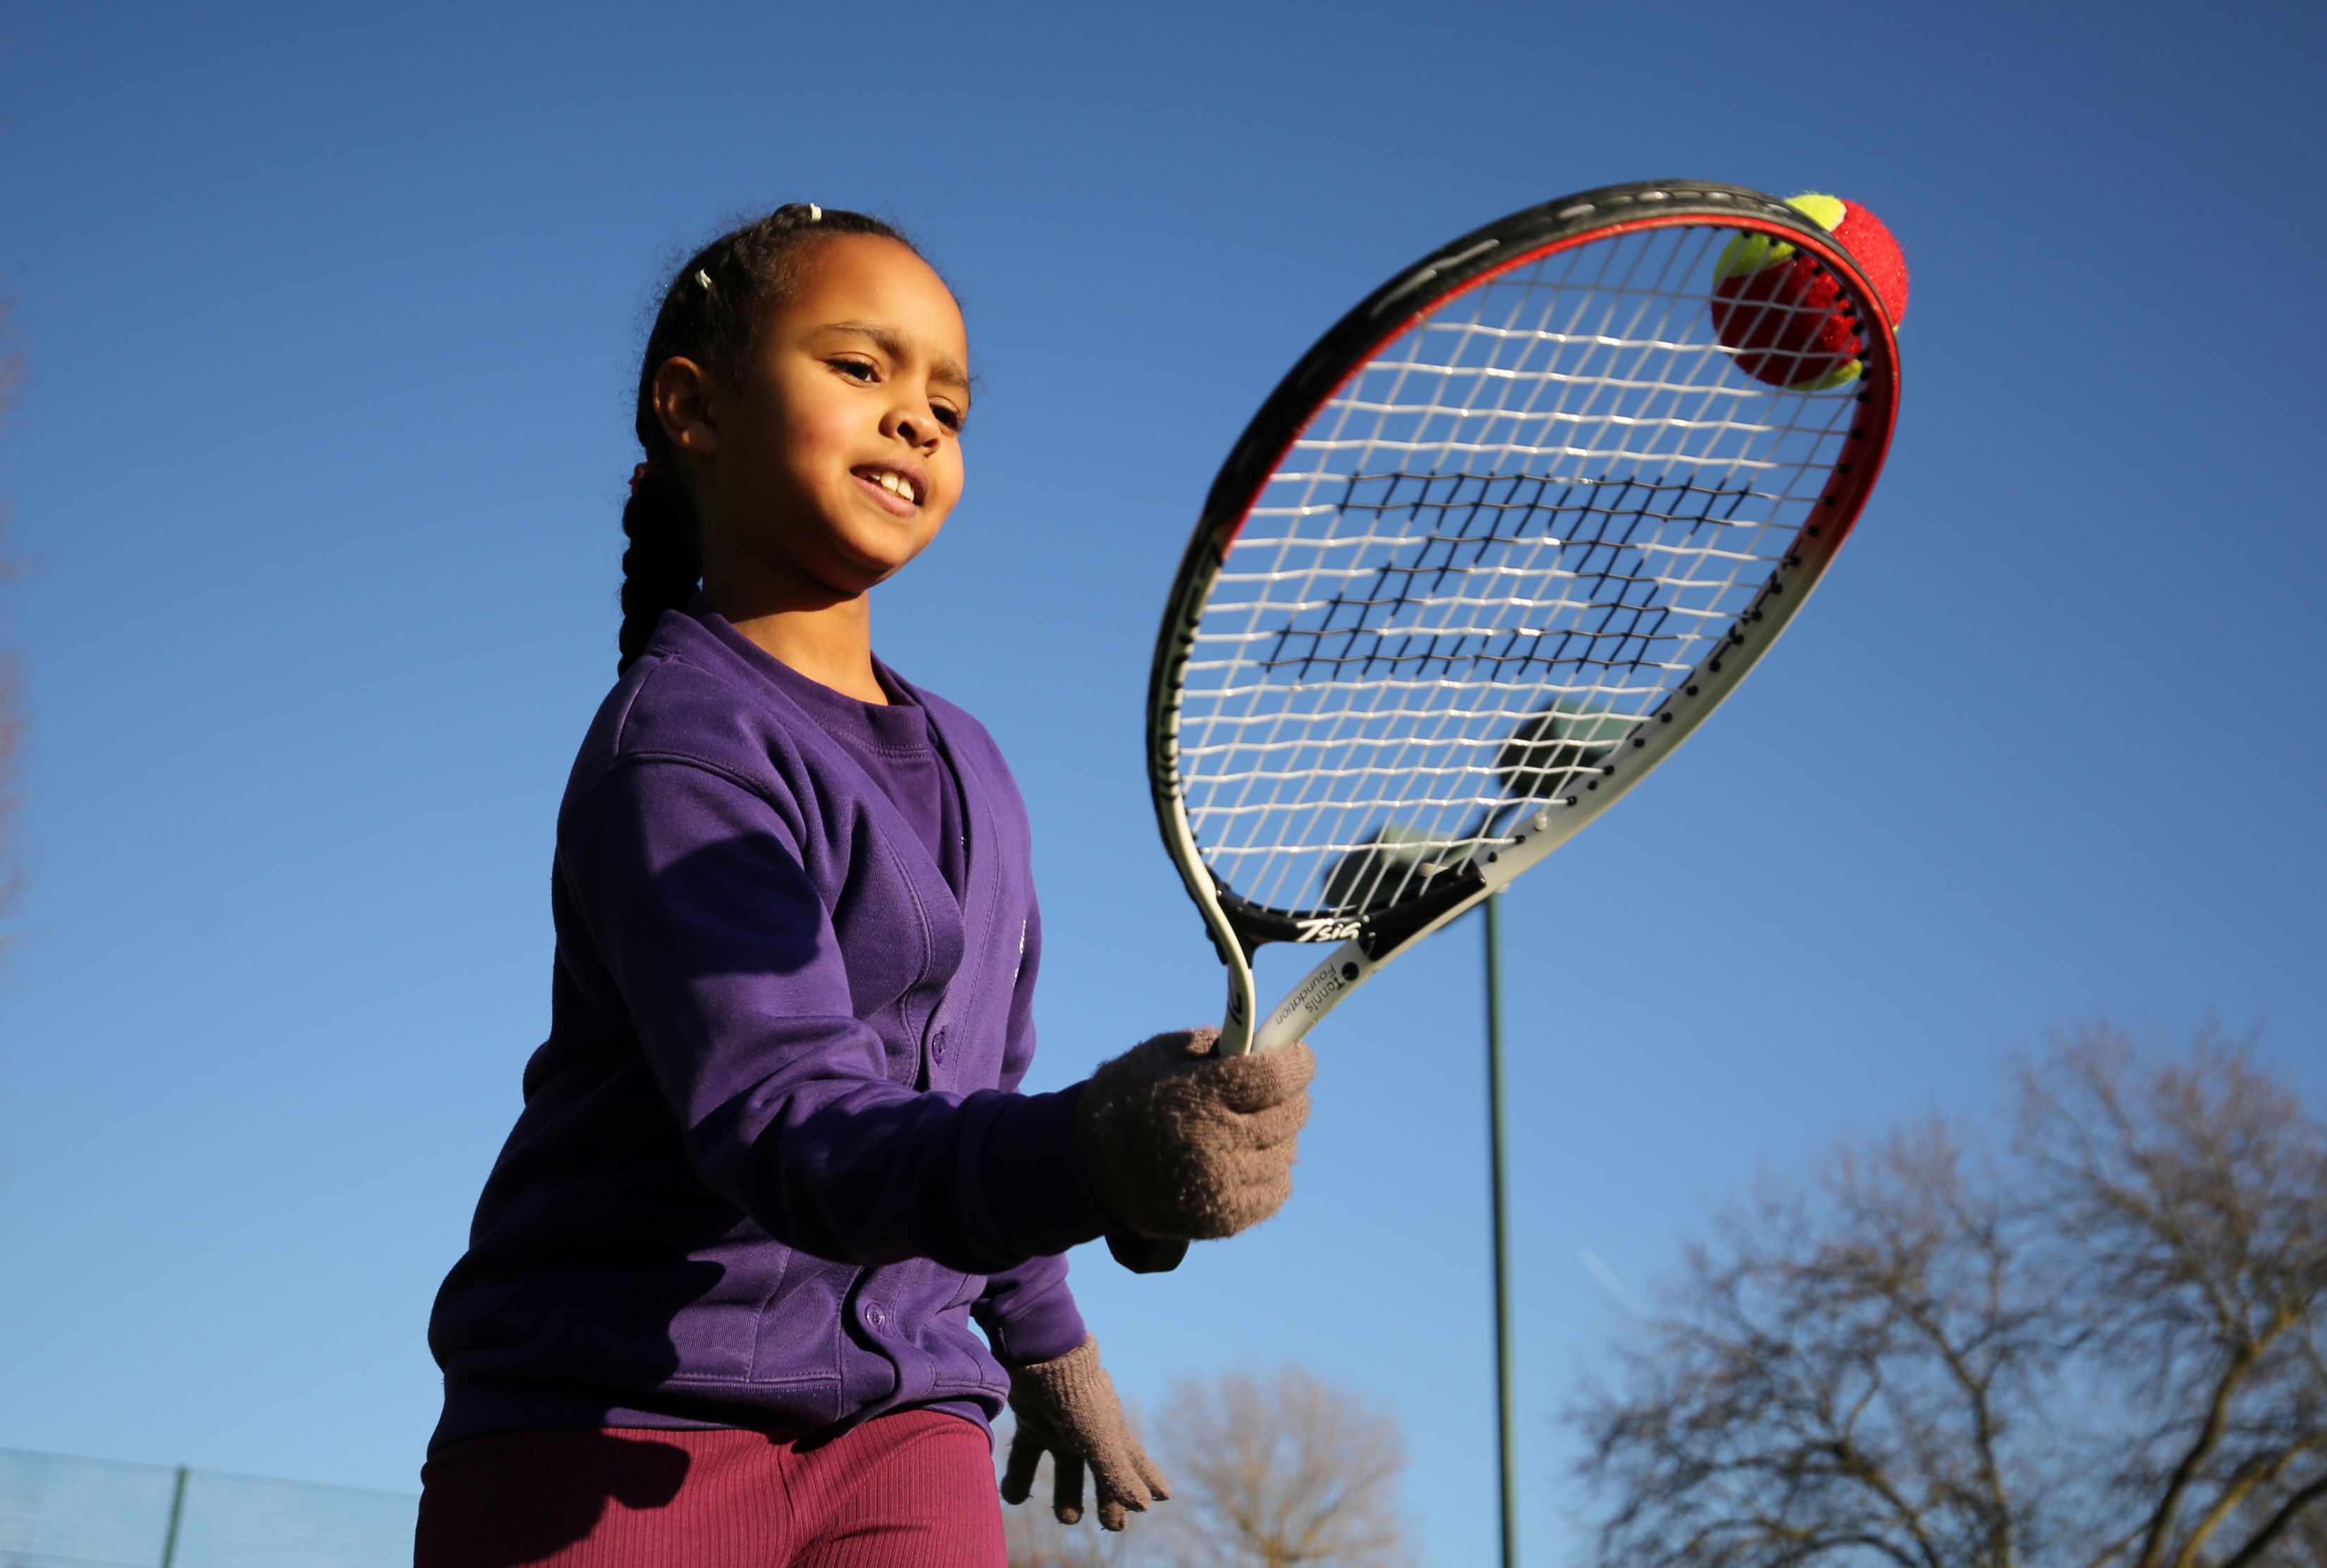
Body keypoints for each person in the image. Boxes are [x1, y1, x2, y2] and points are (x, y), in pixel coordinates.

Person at [412, 204, 1314, 1568]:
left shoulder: (977, 766)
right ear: (691, 408)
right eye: (860, 367)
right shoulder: (680, 749)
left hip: (908, 1436)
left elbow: (972, 1097)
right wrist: (1099, 1156)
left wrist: (1046, 1334)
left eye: (947, 401)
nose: (917, 419)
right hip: (595, 1432)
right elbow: (788, 1122)